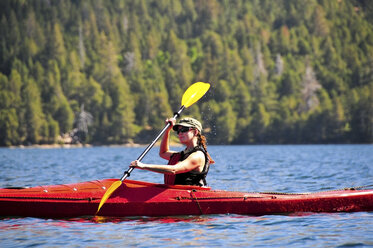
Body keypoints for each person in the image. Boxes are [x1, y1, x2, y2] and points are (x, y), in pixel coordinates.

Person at [130, 117, 214, 186]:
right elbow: (163, 153)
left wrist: (143, 166)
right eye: (178, 131)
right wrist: (167, 130)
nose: (180, 133)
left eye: (184, 129)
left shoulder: (197, 155)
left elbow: (174, 170)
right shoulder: (183, 154)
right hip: (177, 194)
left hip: (190, 196)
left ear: (195, 132)